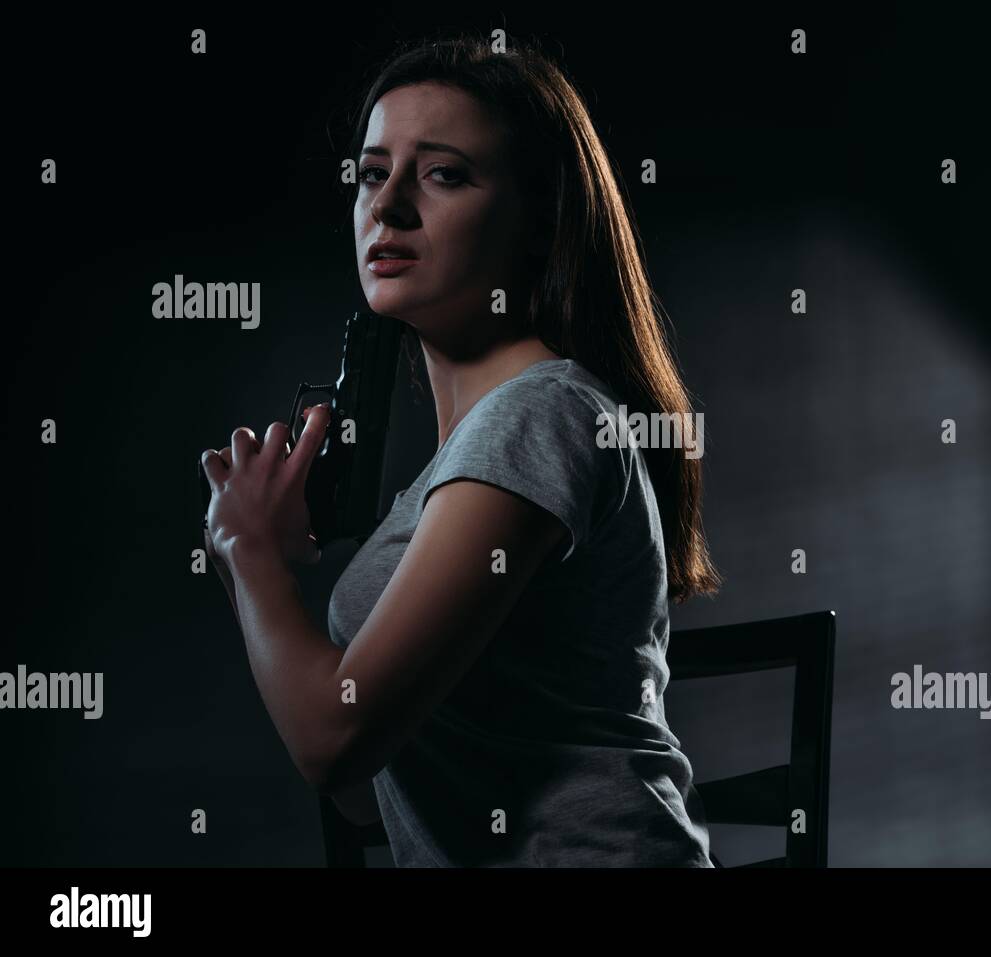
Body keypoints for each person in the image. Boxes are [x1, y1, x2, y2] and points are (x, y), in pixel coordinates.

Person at [199, 35, 723, 866]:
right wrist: (252, 569)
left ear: (539, 216)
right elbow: (364, 797)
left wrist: (247, 547)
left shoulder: (541, 415)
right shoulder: (461, 465)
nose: (389, 206)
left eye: (443, 174)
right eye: (373, 174)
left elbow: (333, 738)